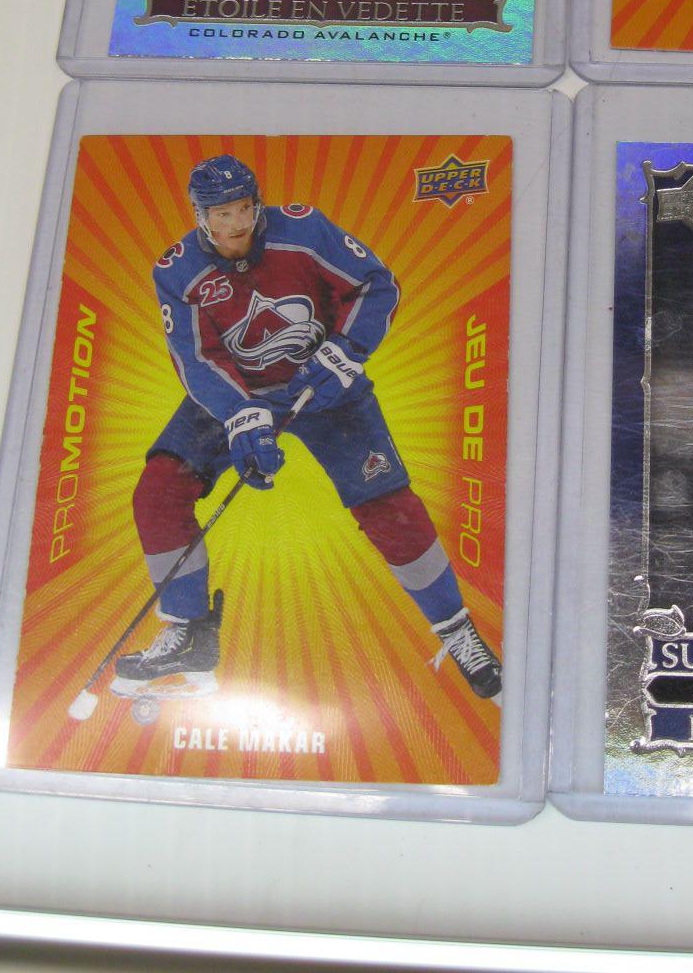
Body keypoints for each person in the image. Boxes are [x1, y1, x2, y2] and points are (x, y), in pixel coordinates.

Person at [111, 155, 501, 702]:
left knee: (388, 505)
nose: (237, 224)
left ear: (257, 202)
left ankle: (457, 631)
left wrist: (345, 350)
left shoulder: (304, 228)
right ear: (201, 216)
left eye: (244, 208)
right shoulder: (177, 270)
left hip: (324, 387)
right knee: (158, 491)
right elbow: (195, 358)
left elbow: (376, 285)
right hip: (237, 392)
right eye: (222, 214)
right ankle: (188, 633)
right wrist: (242, 414)